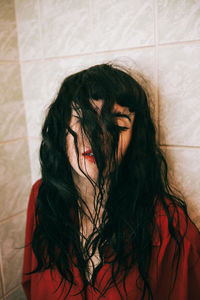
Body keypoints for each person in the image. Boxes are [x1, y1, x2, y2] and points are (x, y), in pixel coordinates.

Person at [21, 63, 200, 300]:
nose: (99, 137)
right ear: (60, 128)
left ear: (134, 140)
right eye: (84, 119)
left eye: (116, 125)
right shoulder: (44, 196)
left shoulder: (170, 226)